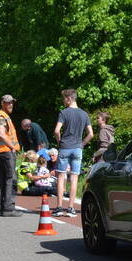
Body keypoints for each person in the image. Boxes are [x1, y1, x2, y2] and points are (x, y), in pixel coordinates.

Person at [53, 88, 93, 217]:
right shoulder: (84, 114)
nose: (63, 101)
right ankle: (71, 208)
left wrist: (59, 142)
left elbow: (56, 131)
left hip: (65, 147)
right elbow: (91, 134)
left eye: (64, 99)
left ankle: (59, 207)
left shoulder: (64, 113)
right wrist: (82, 144)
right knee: (74, 177)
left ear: (69, 98)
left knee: (60, 177)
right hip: (77, 148)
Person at [0, 95, 21, 216]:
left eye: (12, 103)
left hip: (1, 151)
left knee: (1, 179)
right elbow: (2, 134)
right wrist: (13, 147)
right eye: (8, 103)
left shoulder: (3, 116)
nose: (11, 105)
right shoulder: (1, 116)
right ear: (2, 103)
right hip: (5, 151)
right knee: (10, 179)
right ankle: (8, 208)